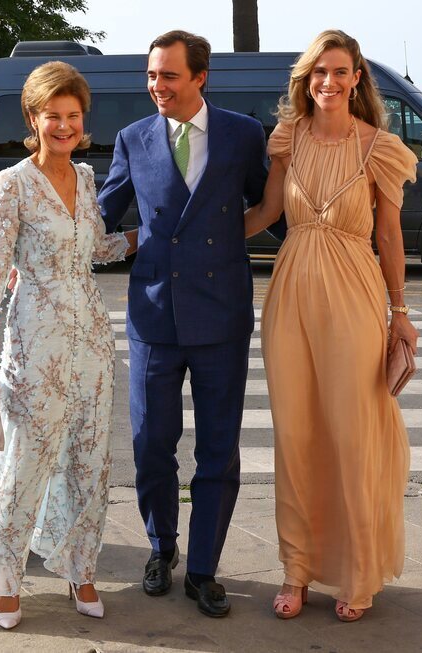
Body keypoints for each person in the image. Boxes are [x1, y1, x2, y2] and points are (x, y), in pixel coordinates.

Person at [0, 61, 137, 629]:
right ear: (33, 117)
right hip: (36, 341)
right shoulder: (11, 185)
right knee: (25, 462)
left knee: (88, 459)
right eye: (53, 115)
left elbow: (95, 249)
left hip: (93, 342)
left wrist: (149, 234)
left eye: (73, 116)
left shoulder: (85, 179)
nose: (64, 125)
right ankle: (5, 580)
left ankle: (82, 569)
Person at [244, 29, 419, 622]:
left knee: (351, 435)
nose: (328, 82)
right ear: (306, 78)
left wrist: (401, 314)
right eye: (318, 72)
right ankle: (296, 571)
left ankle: (357, 571)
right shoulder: (287, 137)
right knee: (294, 437)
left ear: (357, 79)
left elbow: (389, 235)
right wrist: (197, 241)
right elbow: (269, 212)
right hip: (290, 290)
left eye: (339, 72)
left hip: (354, 292)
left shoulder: (380, 149)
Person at [98, 30, 271, 618]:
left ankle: (202, 570)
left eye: (169, 76)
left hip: (221, 316)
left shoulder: (244, 136)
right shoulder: (132, 139)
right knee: (151, 446)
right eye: (151, 75)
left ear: (201, 78)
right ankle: (160, 547)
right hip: (152, 316)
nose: (156, 86)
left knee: (218, 451)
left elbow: (269, 208)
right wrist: (37, 250)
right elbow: (99, 213)